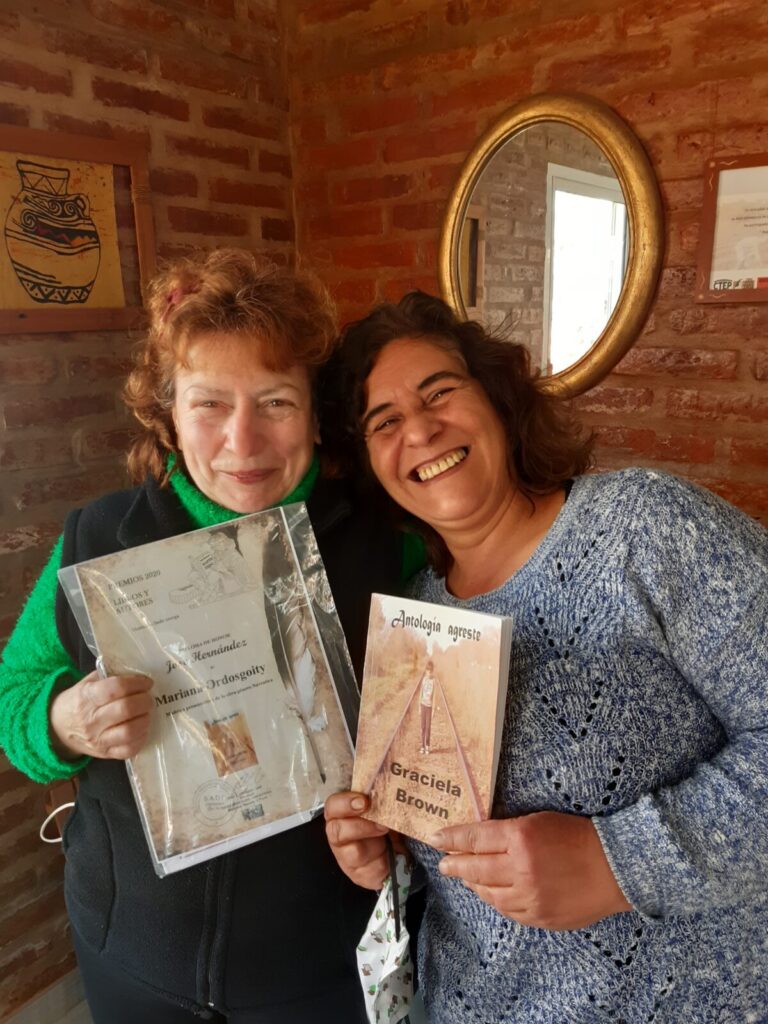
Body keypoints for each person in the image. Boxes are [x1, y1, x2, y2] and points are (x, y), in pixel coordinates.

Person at [322, 291, 768, 1023]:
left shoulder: (643, 528)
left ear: (499, 400)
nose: (422, 430)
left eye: (440, 392)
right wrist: (388, 854)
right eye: (385, 422)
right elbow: (452, 857)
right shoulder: (411, 617)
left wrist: (616, 863)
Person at [0, 249, 419, 1024]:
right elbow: (13, 696)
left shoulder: (388, 544)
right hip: (132, 955)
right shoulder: (98, 539)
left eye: (276, 401)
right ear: (167, 412)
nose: (243, 440)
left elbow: (438, 737)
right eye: (210, 404)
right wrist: (63, 720)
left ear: (316, 412)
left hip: (317, 965)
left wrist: (399, 824)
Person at [417, 660, 436, 754]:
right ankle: (422, 746)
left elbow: (434, 696)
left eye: (430, 671)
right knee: (423, 727)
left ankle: (427, 746)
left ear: (432, 671)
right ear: (425, 671)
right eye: (427, 671)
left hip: (429, 707)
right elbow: (420, 693)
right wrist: (419, 707)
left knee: (428, 727)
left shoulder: (433, 681)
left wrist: (433, 710)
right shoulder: (424, 680)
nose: (429, 673)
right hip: (423, 705)